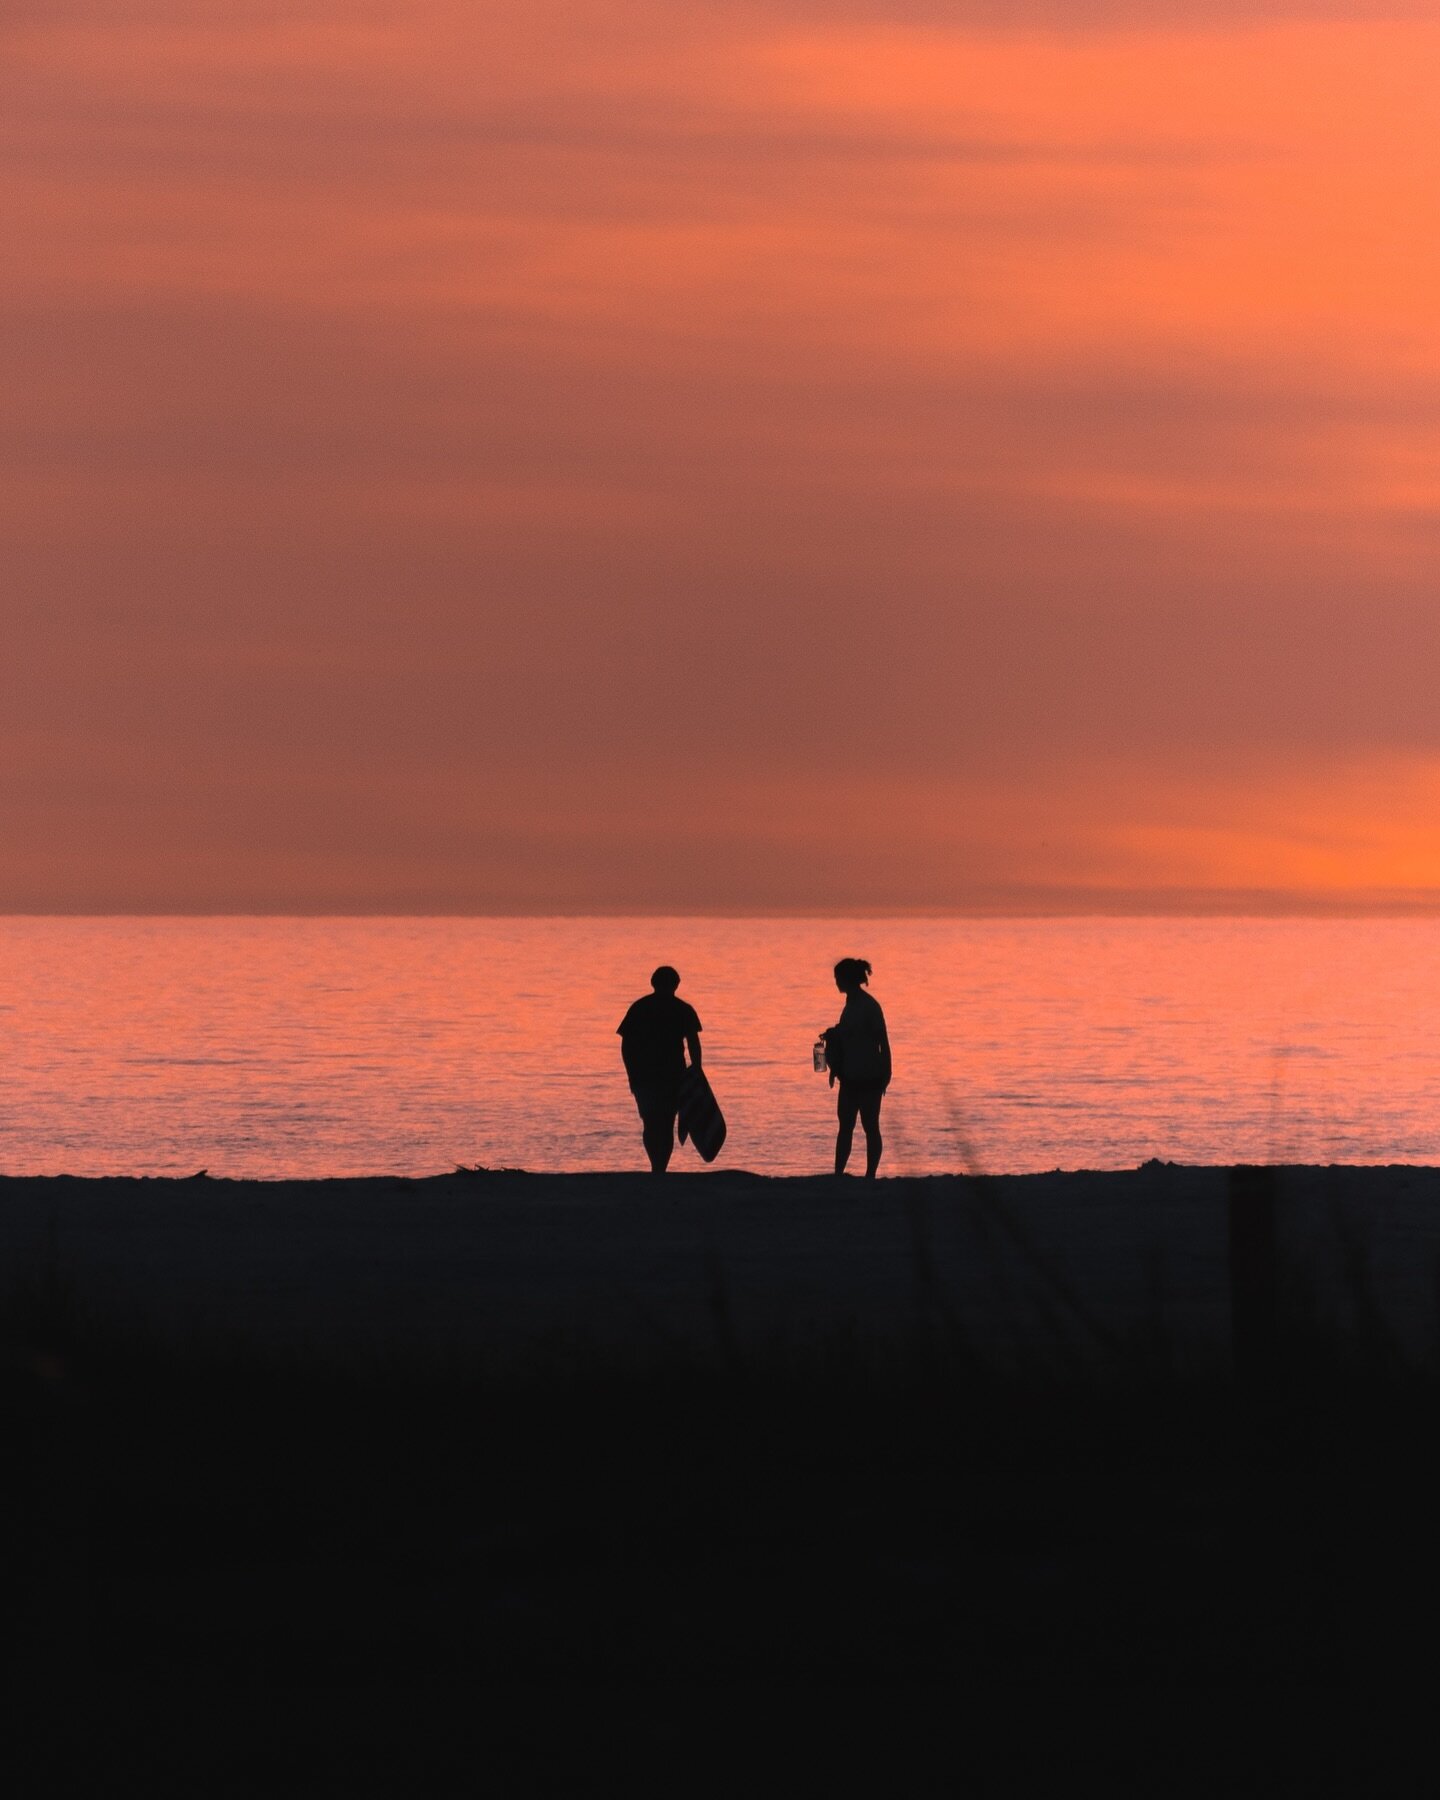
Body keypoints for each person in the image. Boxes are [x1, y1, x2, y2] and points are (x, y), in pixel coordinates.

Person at [617, 966, 702, 1174]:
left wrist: (631, 1073)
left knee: (653, 1121)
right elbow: (693, 1044)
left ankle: (658, 1167)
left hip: (650, 1075)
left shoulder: (640, 1007)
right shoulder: (682, 1009)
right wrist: (696, 1071)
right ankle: (659, 1167)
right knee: (664, 1123)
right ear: (676, 985)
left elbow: (627, 1045)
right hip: (669, 1075)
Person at [825, 957, 891, 1179]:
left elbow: (882, 1040)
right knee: (846, 1126)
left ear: (847, 979)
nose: (835, 982)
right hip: (850, 1075)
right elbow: (850, 1034)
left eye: (837, 978)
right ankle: (838, 1173)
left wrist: (886, 1072)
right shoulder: (851, 1004)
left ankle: (870, 1174)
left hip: (869, 1076)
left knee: (870, 1126)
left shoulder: (868, 1005)